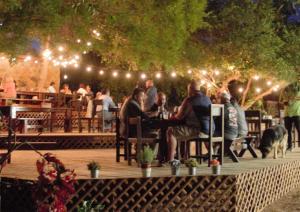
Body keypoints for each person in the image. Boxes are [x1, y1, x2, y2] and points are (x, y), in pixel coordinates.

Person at [167, 80, 212, 161]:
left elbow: (179, 117)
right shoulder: (207, 98)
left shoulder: (190, 99)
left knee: (171, 131)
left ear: (190, 89)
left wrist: (175, 114)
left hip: (199, 131)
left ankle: (171, 160)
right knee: (186, 128)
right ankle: (186, 157)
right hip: (210, 129)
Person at [284, 85, 300, 151]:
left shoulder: (298, 91)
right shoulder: (285, 92)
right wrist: (287, 101)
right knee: (288, 131)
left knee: (299, 130)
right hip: (287, 114)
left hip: (297, 113)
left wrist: (291, 100)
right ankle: (289, 146)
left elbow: (290, 101)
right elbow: (284, 102)